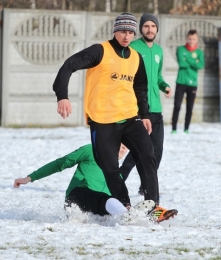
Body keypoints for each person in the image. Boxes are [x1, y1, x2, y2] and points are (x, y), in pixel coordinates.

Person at [52, 13, 159, 207]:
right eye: (123, 31)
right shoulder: (100, 51)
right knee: (110, 168)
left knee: (147, 154)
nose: (126, 36)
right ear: (115, 31)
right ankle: (125, 206)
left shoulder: (135, 57)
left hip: (129, 118)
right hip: (102, 121)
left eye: (130, 32)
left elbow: (140, 88)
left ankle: (152, 205)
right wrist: (63, 96)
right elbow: (68, 66)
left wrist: (144, 115)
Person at [13, 144, 178, 222]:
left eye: (126, 146)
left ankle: (149, 217)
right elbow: (60, 163)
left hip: (99, 206)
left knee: (116, 203)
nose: (124, 147)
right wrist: (30, 178)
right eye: (120, 142)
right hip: (76, 197)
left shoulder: (116, 175)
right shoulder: (91, 150)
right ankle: (128, 217)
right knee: (106, 200)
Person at [119, 13, 172, 195]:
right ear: (141, 29)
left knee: (157, 152)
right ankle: (118, 179)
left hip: (156, 108)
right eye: (146, 26)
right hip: (138, 109)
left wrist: (164, 86)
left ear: (157, 29)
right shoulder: (133, 47)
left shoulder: (159, 51)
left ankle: (146, 186)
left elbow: (157, 76)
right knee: (138, 151)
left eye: (153, 26)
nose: (150, 29)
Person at [171, 29, 204, 134]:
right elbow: (181, 63)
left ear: (197, 39)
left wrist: (187, 58)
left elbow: (201, 65)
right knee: (177, 106)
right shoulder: (180, 49)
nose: (191, 41)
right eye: (190, 38)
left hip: (193, 84)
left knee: (189, 107)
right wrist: (194, 61)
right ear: (187, 38)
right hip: (181, 82)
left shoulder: (199, 52)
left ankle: (186, 128)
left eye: (194, 39)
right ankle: (174, 128)